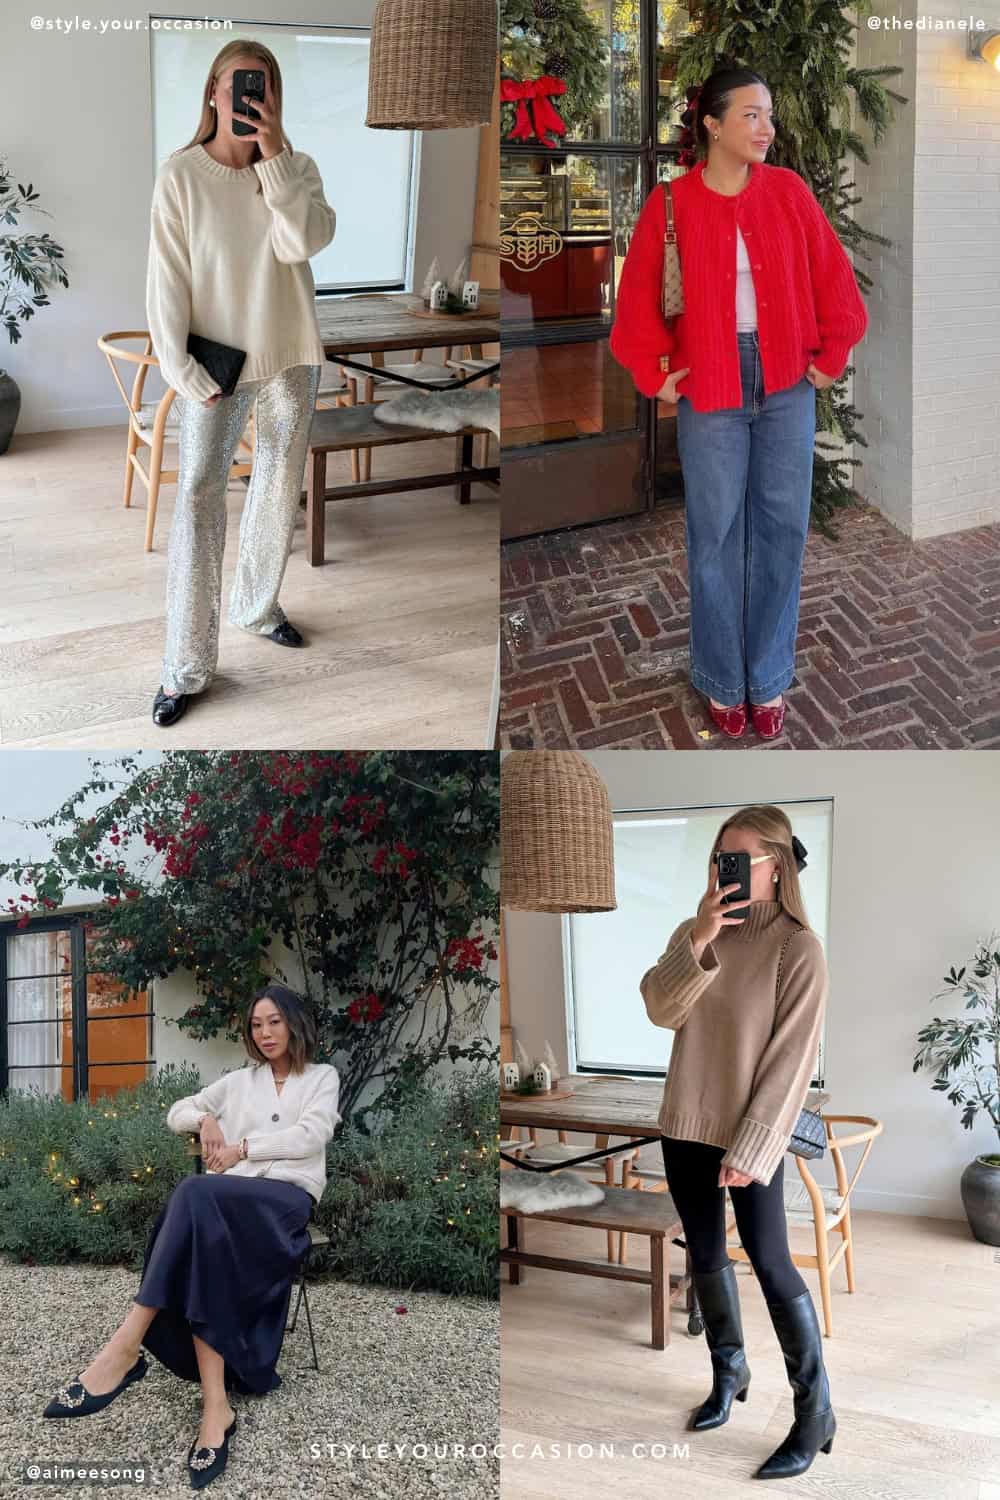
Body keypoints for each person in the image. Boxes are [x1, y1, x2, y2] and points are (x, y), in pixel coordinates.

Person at [609, 67, 868, 740]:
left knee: (782, 530)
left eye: (770, 115)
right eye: (751, 114)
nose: (766, 127)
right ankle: (725, 679)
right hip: (711, 383)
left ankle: (769, 675)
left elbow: (833, 278)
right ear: (713, 125)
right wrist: (655, 370)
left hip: (786, 383)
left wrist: (830, 356)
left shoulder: (787, 192)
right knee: (716, 534)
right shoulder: (671, 203)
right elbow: (637, 298)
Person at [42, 982, 342, 1490]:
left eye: (274, 1021)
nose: (265, 1033)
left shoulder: (321, 1077)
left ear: (293, 1023)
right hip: (228, 1207)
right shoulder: (237, 1083)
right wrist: (204, 1117)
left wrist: (242, 1147)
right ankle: (214, 1408)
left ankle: (125, 1345)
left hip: (286, 1203)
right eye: (256, 1025)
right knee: (203, 1215)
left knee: (197, 1193)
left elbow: (311, 1136)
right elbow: (175, 1112)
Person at [145, 39, 337, 728]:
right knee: (199, 494)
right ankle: (186, 664)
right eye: (238, 84)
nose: (249, 96)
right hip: (216, 365)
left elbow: (303, 242)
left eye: (264, 87)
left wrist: (276, 155)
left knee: (279, 484)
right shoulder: (181, 176)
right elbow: (165, 280)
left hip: (291, 354)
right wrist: (179, 367)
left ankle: (257, 605)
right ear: (212, 92)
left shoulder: (296, 169)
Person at [639, 805, 834, 1480]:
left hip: (748, 1137)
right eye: (718, 860)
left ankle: (814, 1412)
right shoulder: (698, 933)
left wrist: (752, 1150)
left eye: (739, 860)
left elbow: (791, 1061)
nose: (725, 872)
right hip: (685, 1125)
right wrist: (698, 940)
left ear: (775, 868)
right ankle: (730, 1373)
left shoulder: (798, 947)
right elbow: (662, 1009)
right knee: (706, 1254)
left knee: (773, 1264)